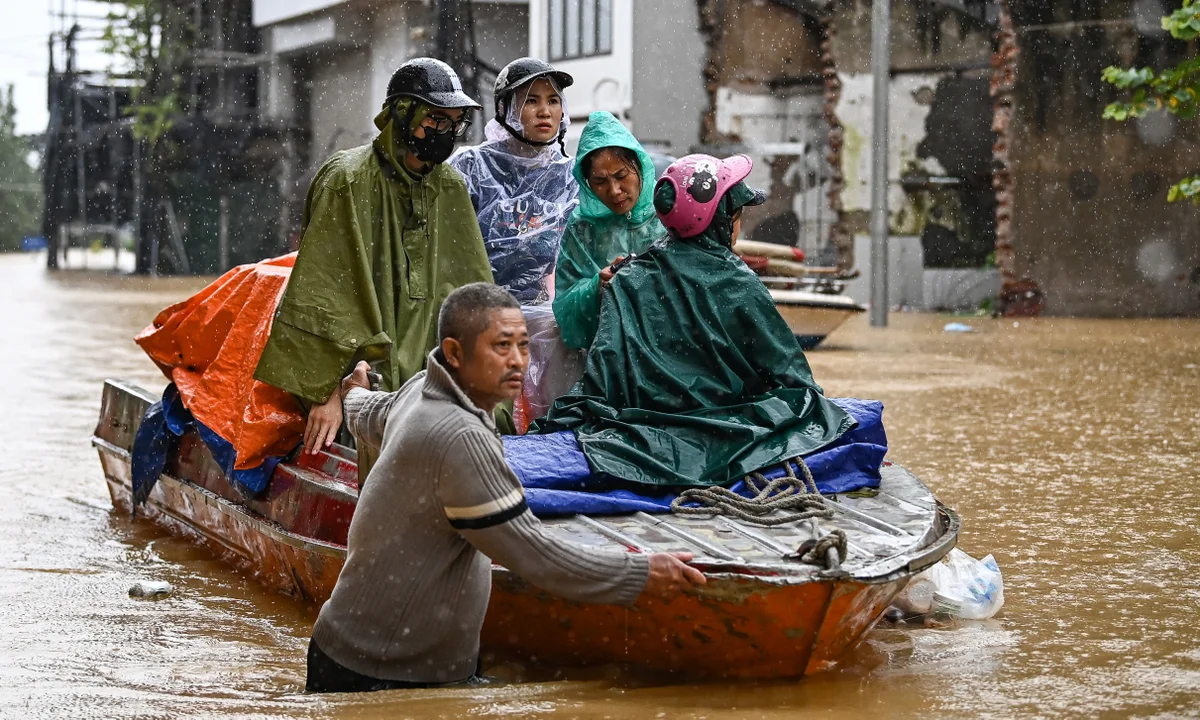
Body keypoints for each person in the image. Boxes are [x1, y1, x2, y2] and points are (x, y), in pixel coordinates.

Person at [306, 283, 706, 693]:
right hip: (380, 674)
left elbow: (369, 412)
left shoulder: (422, 390)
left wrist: (351, 391)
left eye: (523, 345)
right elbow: (532, 553)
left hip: (360, 653)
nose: (517, 361)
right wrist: (640, 573)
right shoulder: (461, 437)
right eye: (501, 346)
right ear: (455, 353)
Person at [533, 155, 855, 488]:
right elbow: (792, 375)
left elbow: (605, 372)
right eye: (737, 216)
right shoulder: (738, 282)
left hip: (639, 426)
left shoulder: (627, 277)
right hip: (726, 427)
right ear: (722, 220)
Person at [253, 58, 499, 465]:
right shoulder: (347, 180)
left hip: (429, 386)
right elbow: (321, 294)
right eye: (436, 120)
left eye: (455, 123)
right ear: (402, 114)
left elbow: (472, 297)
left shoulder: (452, 188)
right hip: (362, 384)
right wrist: (325, 392)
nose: (446, 133)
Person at [448, 57, 578, 304]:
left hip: (553, 315)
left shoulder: (572, 176)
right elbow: (447, 250)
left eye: (553, 101)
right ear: (503, 108)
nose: (545, 111)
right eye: (531, 100)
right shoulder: (471, 167)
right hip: (481, 308)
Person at [552, 111, 666, 351]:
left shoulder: (668, 210)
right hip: (609, 352)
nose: (614, 190)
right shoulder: (582, 227)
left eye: (621, 176)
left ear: (640, 167)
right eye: (600, 182)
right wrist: (596, 287)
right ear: (587, 184)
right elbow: (565, 309)